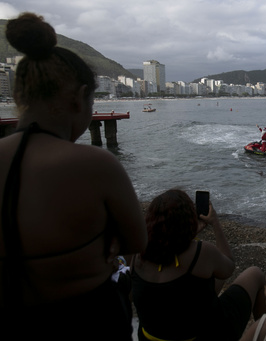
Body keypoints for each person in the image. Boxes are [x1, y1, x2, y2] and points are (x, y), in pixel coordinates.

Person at [0, 13, 147, 339]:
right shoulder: (95, 164)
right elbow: (137, 240)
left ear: (20, 99)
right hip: (85, 316)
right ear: (79, 97)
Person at [131, 189, 266, 341]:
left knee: (203, 278)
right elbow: (228, 267)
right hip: (205, 335)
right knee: (255, 274)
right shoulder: (201, 252)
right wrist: (215, 224)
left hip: (150, 337)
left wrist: (189, 235)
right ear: (189, 218)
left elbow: (168, 287)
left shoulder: (137, 254)